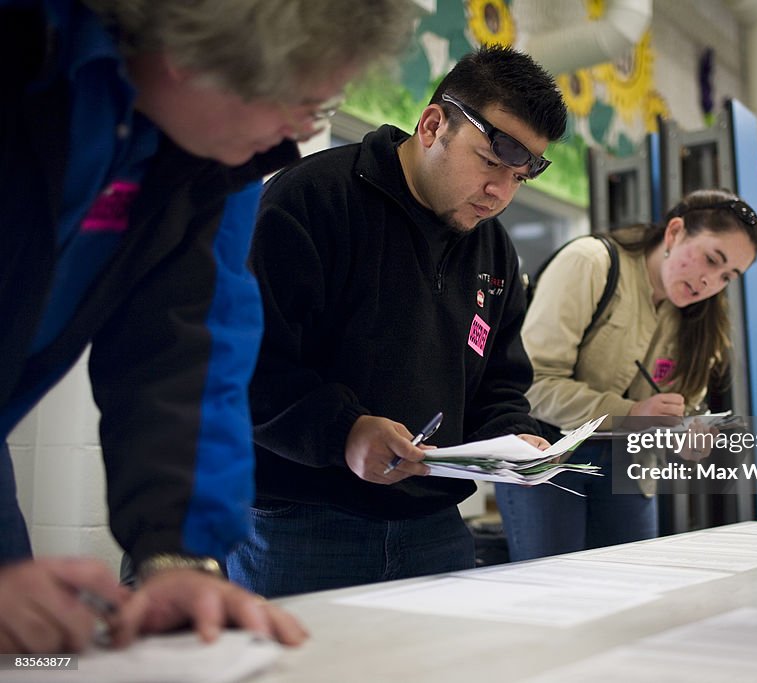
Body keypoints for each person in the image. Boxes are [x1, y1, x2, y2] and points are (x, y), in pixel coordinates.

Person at [1, 0, 415, 653]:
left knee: (32, 651)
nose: (295, 134)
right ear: (190, 57)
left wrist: (180, 553)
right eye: (301, 103)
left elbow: (191, 348)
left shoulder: (215, 160)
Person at [226, 46, 568, 598]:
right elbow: (245, 364)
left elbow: (498, 382)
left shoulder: (493, 252)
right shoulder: (310, 201)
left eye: (519, 178)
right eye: (490, 162)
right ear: (434, 125)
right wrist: (345, 432)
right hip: (300, 525)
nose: (500, 193)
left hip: (433, 529)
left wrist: (514, 436)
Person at [495, 190, 757, 560]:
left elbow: (679, 410)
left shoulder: (698, 319)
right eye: (710, 259)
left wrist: (685, 433)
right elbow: (532, 384)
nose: (710, 283)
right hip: (548, 458)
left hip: (631, 466)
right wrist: (631, 413)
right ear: (675, 232)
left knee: (632, 592)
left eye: (727, 276)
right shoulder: (592, 263)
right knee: (554, 594)